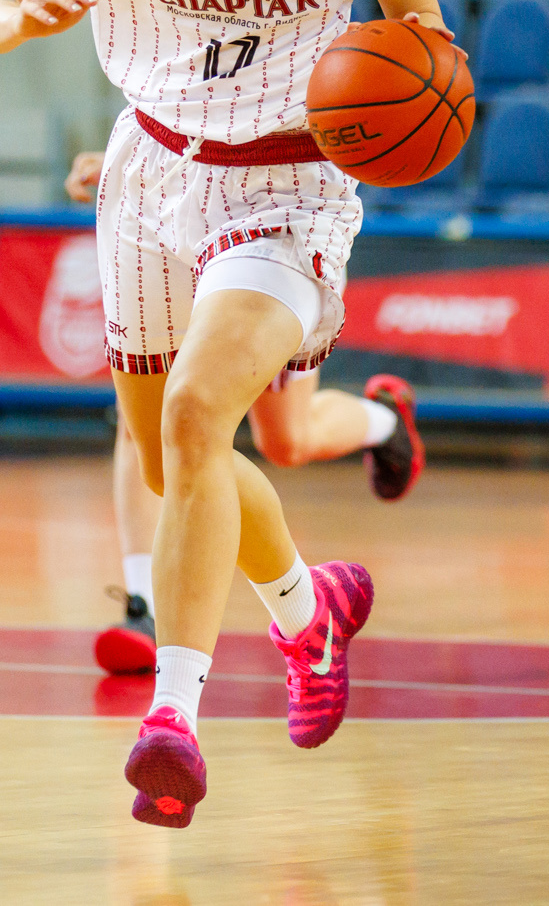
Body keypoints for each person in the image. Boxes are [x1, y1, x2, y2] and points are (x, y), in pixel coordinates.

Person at [0, 0, 447, 827]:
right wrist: (21, 12)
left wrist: (401, 112)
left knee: (197, 417)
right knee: (177, 458)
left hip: (287, 187)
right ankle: (307, 612)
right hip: (149, 175)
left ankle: (171, 718)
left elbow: (424, 38)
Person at [61, 150, 425, 675]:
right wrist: (130, 149)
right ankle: (144, 607)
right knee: (147, 422)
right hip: (169, 208)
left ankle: (386, 421)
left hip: (273, 215)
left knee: (287, 441)